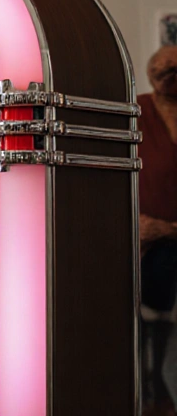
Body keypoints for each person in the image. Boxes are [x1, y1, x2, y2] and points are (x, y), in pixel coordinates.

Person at [136, 47, 177, 407]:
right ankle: (146, 391)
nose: (169, 77)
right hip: (144, 239)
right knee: (144, 316)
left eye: (176, 70)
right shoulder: (136, 110)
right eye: (161, 70)